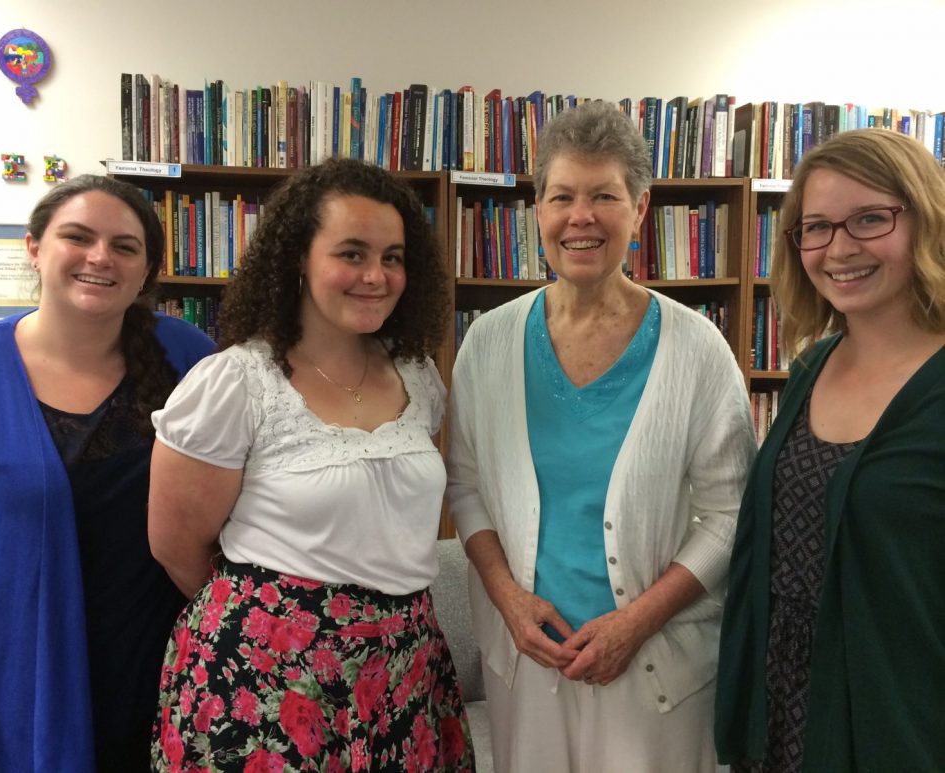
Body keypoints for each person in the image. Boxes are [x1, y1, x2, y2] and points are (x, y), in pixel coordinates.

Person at [445, 99, 757, 773]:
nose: (580, 216)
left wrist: (634, 621)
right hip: (528, 660)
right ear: (537, 212)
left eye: (604, 196)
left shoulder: (698, 351)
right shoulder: (488, 343)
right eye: (562, 196)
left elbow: (731, 515)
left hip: (658, 668)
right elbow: (465, 488)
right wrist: (508, 599)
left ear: (640, 211)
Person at [148, 157, 476, 772]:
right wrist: (284, 623)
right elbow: (175, 546)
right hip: (267, 676)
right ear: (299, 257)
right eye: (351, 254)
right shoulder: (237, 382)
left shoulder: (419, 376)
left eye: (393, 257)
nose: (376, 276)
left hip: (404, 662)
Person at [0, 175, 215, 772]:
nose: (100, 257)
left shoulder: (191, 358)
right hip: (18, 686)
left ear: (147, 267)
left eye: (125, 246)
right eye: (77, 237)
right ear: (34, 247)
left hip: (170, 676)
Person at [715, 129, 945, 772]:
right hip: (785, 708)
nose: (839, 248)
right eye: (816, 227)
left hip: (900, 721)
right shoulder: (813, 366)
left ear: (924, 220)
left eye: (870, 219)